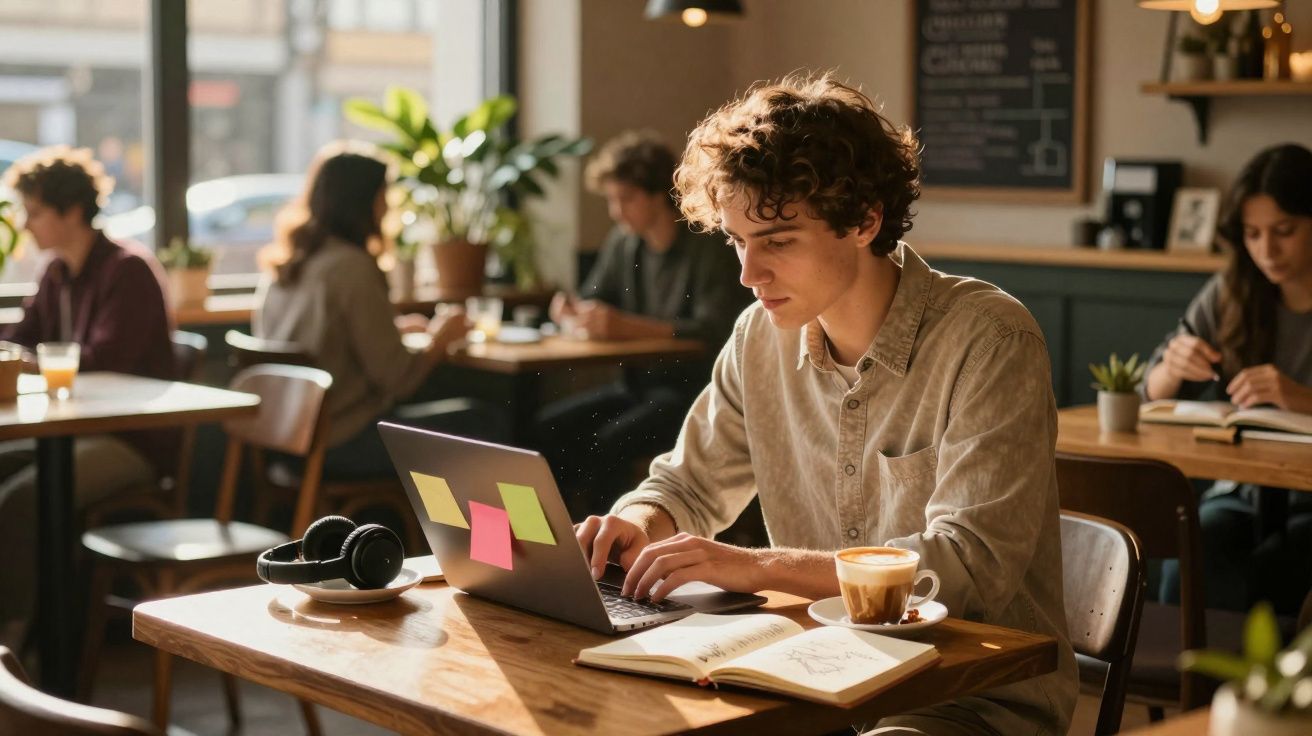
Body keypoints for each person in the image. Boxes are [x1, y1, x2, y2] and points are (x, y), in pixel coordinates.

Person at [574, 75, 1076, 735]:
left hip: (966, 699)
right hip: (818, 682)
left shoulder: (988, 339)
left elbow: (968, 571)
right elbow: (689, 481)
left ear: (865, 220)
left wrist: (755, 565)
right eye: (735, 241)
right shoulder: (760, 336)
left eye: (778, 241)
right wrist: (639, 521)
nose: (749, 275)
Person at [0, 145, 177, 645]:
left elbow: (106, 363)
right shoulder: (56, 273)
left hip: (134, 441)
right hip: (77, 431)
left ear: (72, 211)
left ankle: (14, 644)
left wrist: (29, 361)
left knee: (23, 499)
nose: (26, 224)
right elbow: (19, 338)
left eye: (35, 212)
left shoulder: (128, 270)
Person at [255, 142, 507, 483]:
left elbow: (324, 340)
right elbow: (398, 379)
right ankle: (483, 537)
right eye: (383, 196)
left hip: (286, 440)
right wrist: (439, 339)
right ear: (364, 202)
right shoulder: (352, 267)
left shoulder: (286, 267)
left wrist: (394, 330)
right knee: (485, 419)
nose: (388, 206)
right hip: (341, 442)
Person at [536, 131, 750, 515]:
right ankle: (552, 540)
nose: (617, 211)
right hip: (636, 385)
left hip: (691, 392)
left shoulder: (706, 245)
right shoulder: (625, 242)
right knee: (546, 428)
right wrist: (572, 310)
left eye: (626, 198)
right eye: (612, 200)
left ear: (657, 195)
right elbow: (595, 298)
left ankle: (605, 557)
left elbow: (713, 328)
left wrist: (625, 327)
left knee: (608, 442)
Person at [1144, 143, 1312, 613]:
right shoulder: (1233, 290)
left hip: (1308, 501)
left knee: (1289, 564)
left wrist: (1299, 398)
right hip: (1243, 492)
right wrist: (1172, 369)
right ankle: (1188, 686)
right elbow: (1144, 392)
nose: (1266, 250)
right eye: (1252, 234)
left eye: (1285, 231)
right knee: (1198, 548)